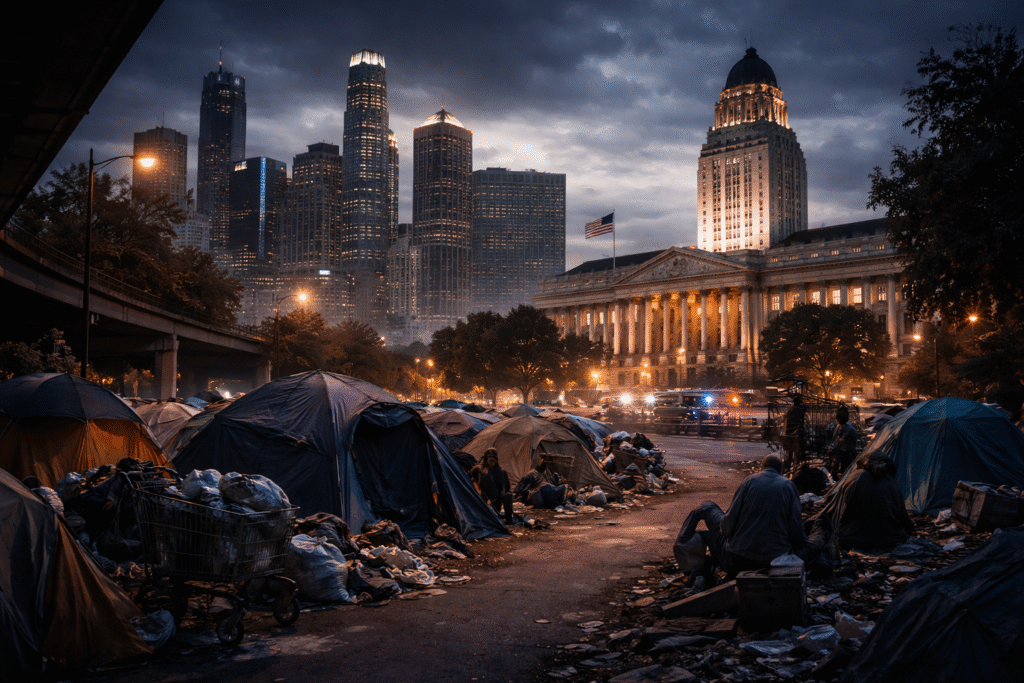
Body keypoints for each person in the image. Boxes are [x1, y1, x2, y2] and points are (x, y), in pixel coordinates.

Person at [673, 455, 809, 578]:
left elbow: (726, 528)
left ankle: (684, 549)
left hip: (738, 562)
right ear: (780, 470)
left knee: (707, 507)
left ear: (762, 467)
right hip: (775, 562)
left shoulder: (749, 481)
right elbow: (797, 532)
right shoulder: (789, 486)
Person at [818, 452, 915, 550]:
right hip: (889, 541)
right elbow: (907, 523)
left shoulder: (855, 477)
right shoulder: (892, 485)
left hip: (852, 540)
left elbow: (842, 512)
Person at [471, 448, 513, 523]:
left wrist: (503, 493)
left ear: (496, 460)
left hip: (496, 500)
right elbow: (471, 477)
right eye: (490, 460)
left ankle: (509, 520)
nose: (492, 463)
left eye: (493, 460)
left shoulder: (502, 472)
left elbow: (507, 489)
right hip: (484, 499)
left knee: (509, 495)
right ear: (486, 460)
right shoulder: (479, 470)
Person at [827, 407, 859, 477]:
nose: (838, 421)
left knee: (847, 467)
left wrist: (836, 445)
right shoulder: (839, 426)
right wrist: (831, 446)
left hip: (848, 450)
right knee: (839, 465)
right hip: (843, 450)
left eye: (839, 419)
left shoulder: (849, 428)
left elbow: (842, 439)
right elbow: (835, 437)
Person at [782, 394, 806, 473]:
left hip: (789, 433)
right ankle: (795, 468)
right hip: (795, 434)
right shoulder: (798, 410)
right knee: (797, 452)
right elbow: (800, 421)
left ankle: (788, 468)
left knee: (789, 451)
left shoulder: (790, 409)